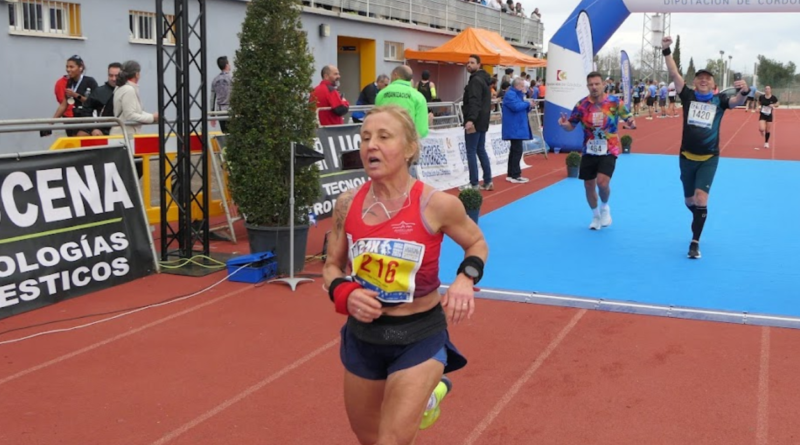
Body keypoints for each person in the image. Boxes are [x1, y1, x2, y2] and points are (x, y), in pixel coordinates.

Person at [323, 104, 488, 445]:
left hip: (419, 335)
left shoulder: (436, 204)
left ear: (410, 148)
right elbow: (331, 267)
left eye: (384, 137)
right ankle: (429, 397)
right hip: (364, 337)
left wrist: (464, 278)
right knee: (368, 438)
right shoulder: (347, 203)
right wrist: (345, 293)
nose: (371, 145)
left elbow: (476, 243)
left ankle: (425, 388)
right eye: (365, 137)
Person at [661, 36, 750, 259]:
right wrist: (666, 50)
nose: (703, 80)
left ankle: (695, 242)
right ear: (695, 82)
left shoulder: (720, 100)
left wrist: (744, 92)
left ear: (713, 85)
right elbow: (674, 73)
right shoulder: (688, 96)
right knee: (690, 201)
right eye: (700, 78)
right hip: (686, 157)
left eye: (707, 78)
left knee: (701, 198)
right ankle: (699, 215)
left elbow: (738, 102)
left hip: (709, 158)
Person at [557, 71, 636, 230]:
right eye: (591, 84)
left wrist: (631, 122)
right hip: (589, 149)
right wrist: (565, 125)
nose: (594, 87)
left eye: (597, 84)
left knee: (602, 182)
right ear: (587, 86)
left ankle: (605, 207)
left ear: (603, 85)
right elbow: (571, 126)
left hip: (609, 148)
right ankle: (595, 215)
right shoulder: (581, 105)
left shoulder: (614, 102)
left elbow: (628, 117)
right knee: (588, 185)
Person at [462, 54, 493, 191]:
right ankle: (488, 181)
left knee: (471, 151)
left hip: (475, 121)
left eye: (472, 62)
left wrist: (470, 119)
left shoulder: (475, 81)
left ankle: (474, 183)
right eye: (468, 62)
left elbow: (474, 101)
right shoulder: (484, 80)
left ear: (479, 65)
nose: (469, 64)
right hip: (483, 120)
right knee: (480, 149)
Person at [375, 65, 430, 138]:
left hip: (385, 139)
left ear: (395, 74)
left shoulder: (381, 94)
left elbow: (377, 119)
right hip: (406, 140)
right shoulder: (419, 97)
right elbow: (421, 130)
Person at [52, 55, 99, 136]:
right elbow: (64, 105)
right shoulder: (69, 82)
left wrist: (75, 95)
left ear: (80, 68)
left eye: (71, 67)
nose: (68, 70)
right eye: (67, 67)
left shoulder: (90, 81)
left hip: (89, 118)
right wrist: (51, 122)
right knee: (74, 139)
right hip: (76, 118)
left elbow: (94, 102)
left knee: (81, 136)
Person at [112, 60, 159, 136]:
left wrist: (152, 116)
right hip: (125, 135)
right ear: (137, 74)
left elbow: (136, 112)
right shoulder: (128, 90)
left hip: (123, 134)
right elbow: (130, 115)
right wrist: (152, 117)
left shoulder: (121, 87)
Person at [501, 77, 532, 183]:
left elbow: (521, 108)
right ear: (517, 86)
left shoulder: (516, 94)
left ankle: (511, 174)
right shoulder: (510, 94)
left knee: (514, 150)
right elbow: (516, 107)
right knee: (517, 150)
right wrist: (528, 103)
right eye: (523, 86)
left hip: (517, 126)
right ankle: (515, 175)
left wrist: (529, 105)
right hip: (515, 127)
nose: (524, 88)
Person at [755, 85, 779, 150]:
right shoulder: (762, 97)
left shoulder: (773, 97)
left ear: (770, 90)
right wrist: (757, 108)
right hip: (762, 114)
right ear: (764, 90)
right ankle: (761, 131)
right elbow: (758, 103)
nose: (767, 90)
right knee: (762, 128)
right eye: (766, 89)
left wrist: (773, 105)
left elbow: (777, 104)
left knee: (768, 130)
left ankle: (766, 142)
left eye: (768, 89)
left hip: (769, 115)